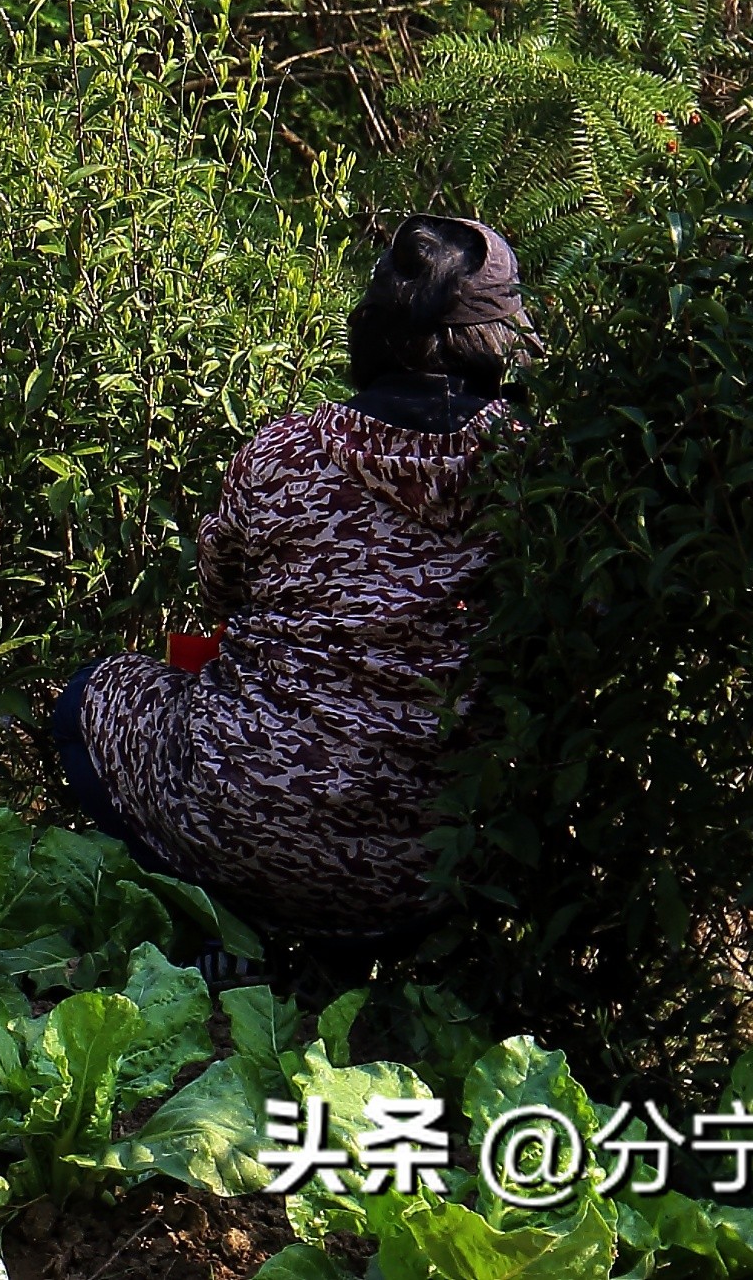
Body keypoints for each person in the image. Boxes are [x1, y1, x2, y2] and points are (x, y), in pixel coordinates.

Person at [54, 212, 536, 943]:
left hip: (241, 822)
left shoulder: (284, 450)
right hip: (432, 870)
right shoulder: (533, 474)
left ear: (370, 327)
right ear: (498, 340)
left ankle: (219, 935)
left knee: (89, 697)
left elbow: (217, 594)